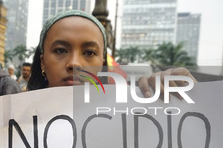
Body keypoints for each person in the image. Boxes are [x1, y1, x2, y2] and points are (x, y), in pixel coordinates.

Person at [27, 10, 197, 95]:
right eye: (60, 50)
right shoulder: (8, 125)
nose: (74, 63)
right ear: (42, 62)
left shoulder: (136, 112)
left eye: (89, 52)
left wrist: (197, 97)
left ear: (102, 63)